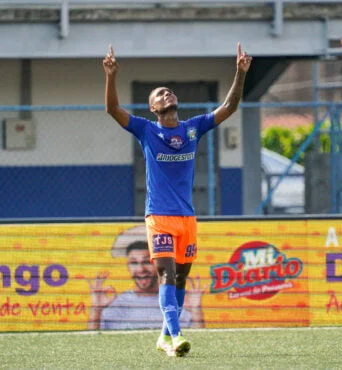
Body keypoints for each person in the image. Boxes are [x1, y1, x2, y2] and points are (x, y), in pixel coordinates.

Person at [103, 43, 252, 356]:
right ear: (153, 109)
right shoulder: (145, 130)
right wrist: (111, 76)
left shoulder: (193, 128)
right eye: (159, 94)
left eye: (169, 91)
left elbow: (230, 107)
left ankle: (163, 337)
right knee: (166, 274)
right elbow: (114, 111)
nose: (166, 94)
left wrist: (239, 73)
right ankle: (177, 335)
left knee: (181, 277)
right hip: (158, 217)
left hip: (187, 218)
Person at [87, 226, 205, 331]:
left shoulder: (177, 302)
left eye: (147, 262)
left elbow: (198, 343)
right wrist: (96, 310)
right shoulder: (117, 305)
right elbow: (92, 345)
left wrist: (196, 311)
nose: (140, 269)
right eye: (134, 263)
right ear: (128, 267)